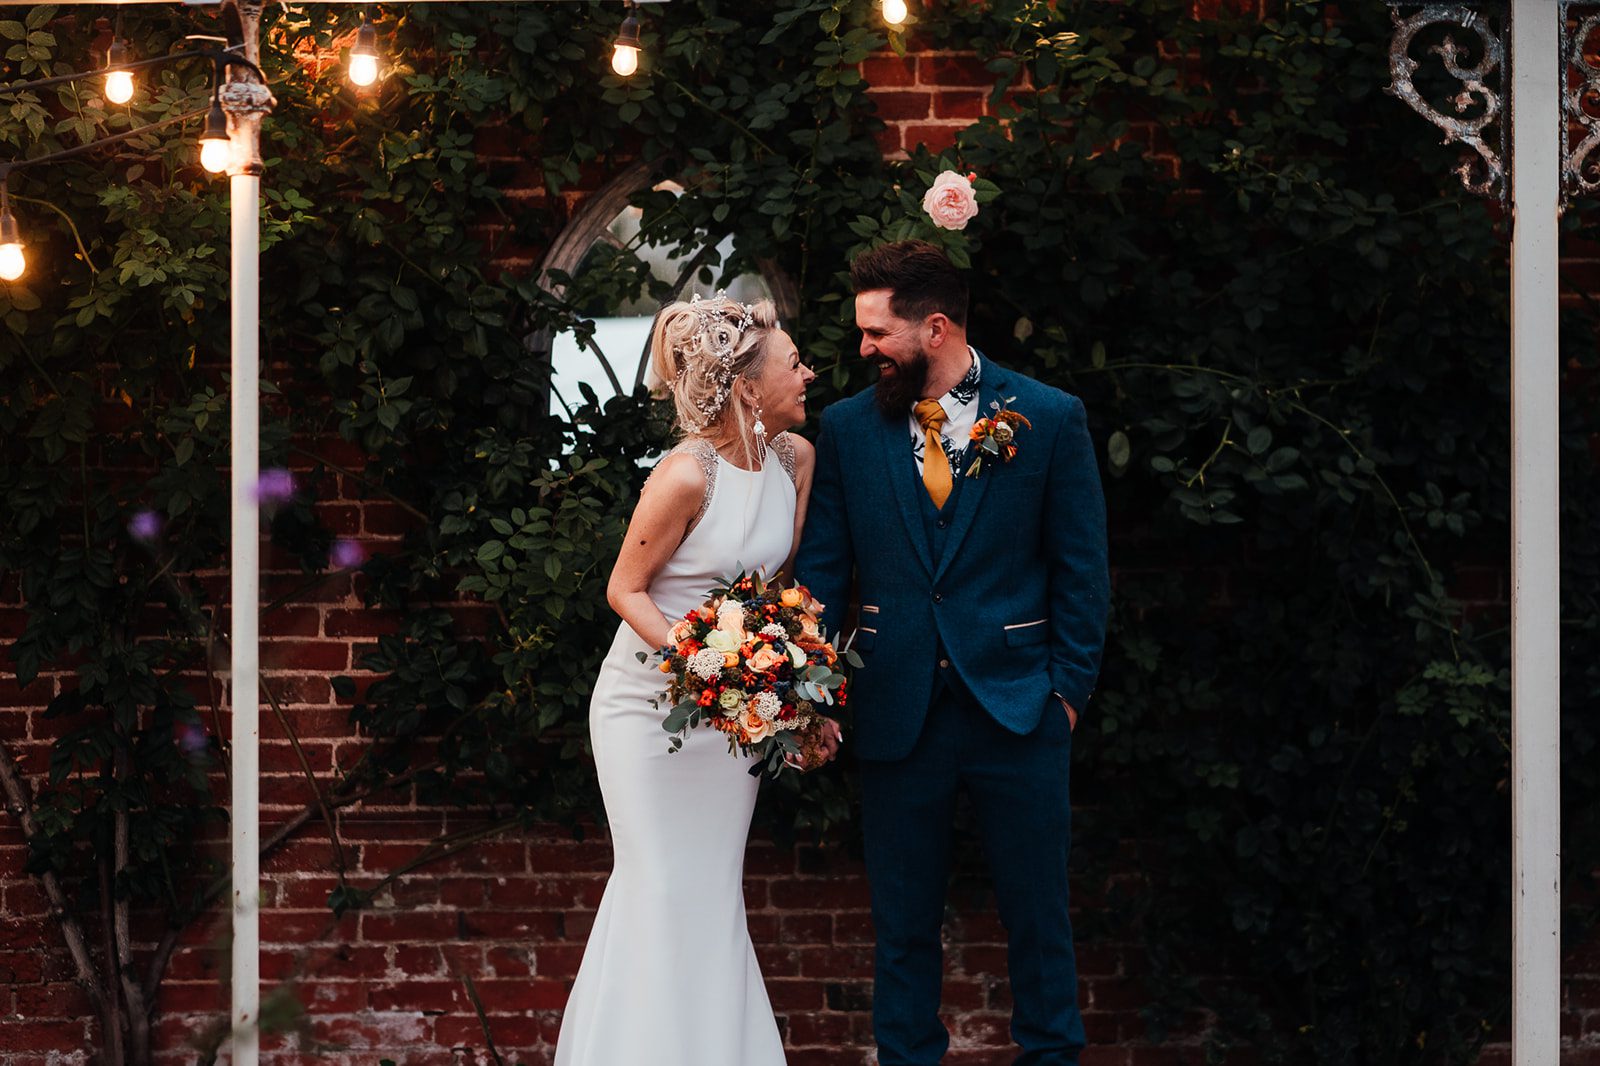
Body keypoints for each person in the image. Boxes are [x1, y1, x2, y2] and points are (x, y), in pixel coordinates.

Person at [795, 240, 1110, 1066]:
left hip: (1020, 709)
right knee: (902, 930)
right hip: (896, 710)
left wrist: (1065, 695)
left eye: (877, 332)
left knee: (1038, 921)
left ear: (935, 329)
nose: (864, 347)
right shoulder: (848, 429)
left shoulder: (1048, 416)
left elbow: (1082, 570)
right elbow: (823, 574)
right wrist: (815, 695)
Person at [555, 294, 834, 1066]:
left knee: (711, 892)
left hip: (729, 722)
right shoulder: (685, 474)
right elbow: (624, 590)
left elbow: (776, 594)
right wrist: (709, 668)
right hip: (649, 714)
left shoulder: (796, 459)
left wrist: (793, 701)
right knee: (658, 886)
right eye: (793, 363)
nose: (807, 373)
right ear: (748, 387)